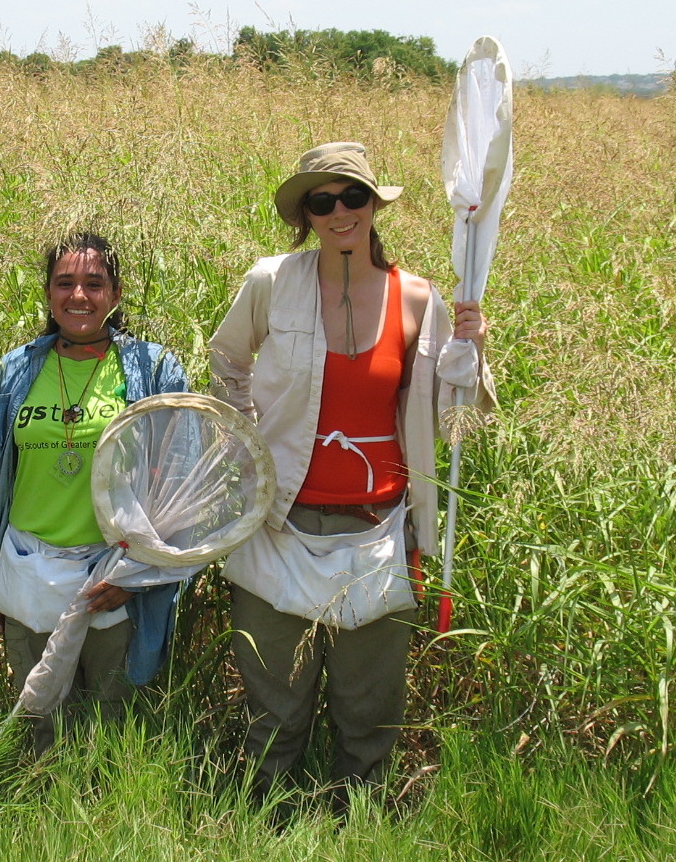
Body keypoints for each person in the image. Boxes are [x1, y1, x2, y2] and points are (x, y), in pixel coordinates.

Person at [208, 142, 495, 812]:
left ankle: (357, 823)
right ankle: (263, 823)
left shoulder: (418, 299)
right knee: (274, 706)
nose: (340, 212)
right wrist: (245, 447)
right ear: (305, 215)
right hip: (279, 525)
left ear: (374, 205)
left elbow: (458, 412)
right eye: (322, 201)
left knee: (369, 709)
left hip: (379, 531)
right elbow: (227, 361)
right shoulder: (271, 281)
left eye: (353, 197)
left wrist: (470, 353)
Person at [0, 233, 188, 753]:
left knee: (113, 726)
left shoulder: (153, 371)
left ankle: (108, 823)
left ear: (115, 295)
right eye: (65, 283)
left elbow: (184, 484)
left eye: (95, 283)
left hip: (114, 578)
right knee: (38, 718)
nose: (79, 296)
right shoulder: (17, 371)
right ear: (47, 294)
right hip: (28, 569)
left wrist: (140, 575)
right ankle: (41, 819)